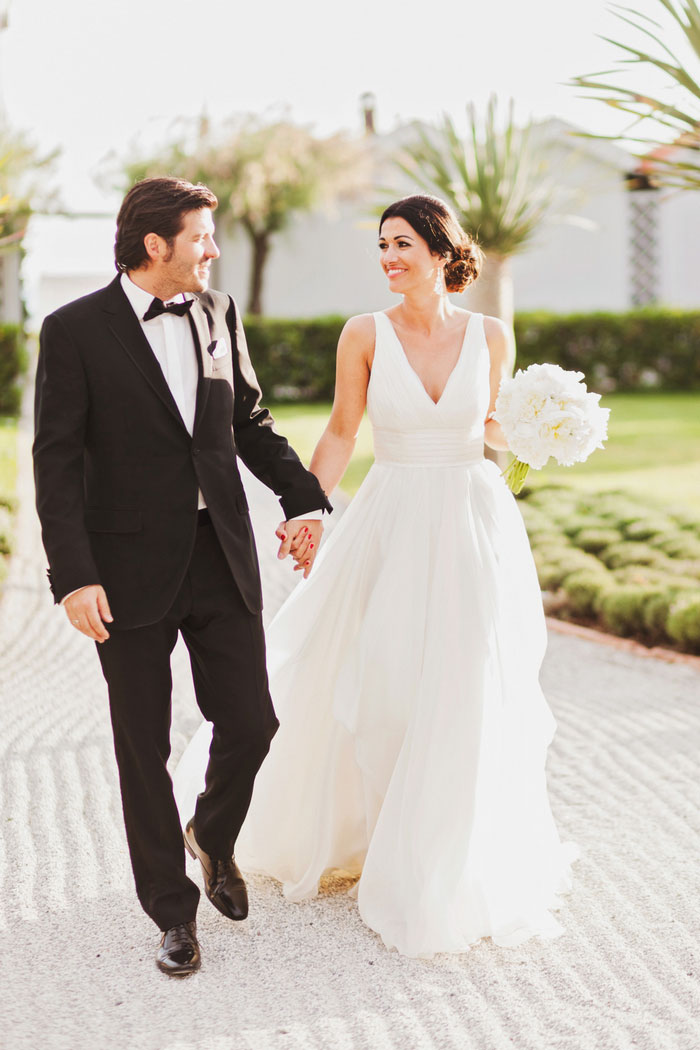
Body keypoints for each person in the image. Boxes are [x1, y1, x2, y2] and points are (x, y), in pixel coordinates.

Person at [174, 194, 577, 958]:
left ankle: (436, 859)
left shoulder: (491, 335)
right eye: (383, 246)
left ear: (440, 250)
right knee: (386, 685)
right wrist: (309, 511)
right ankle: (365, 831)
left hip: (470, 519)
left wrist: (541, 427)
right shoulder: (364, 334)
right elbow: (341, 428)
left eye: (403, 245)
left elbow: (490, 425)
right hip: (391, 520)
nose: (389, 259)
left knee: (464, 686)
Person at [33, 176, 331, 977]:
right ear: (154, 244)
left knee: (253, 721)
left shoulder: (216, 314)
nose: (213, 249)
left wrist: (307, 498)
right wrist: (73, 577)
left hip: (218, 551)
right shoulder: (73, 330)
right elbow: (55, 462)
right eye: (202, 236)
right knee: (142, 746)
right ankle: (172, 911)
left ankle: (214, 834)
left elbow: (249, 424)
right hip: (122, 569)